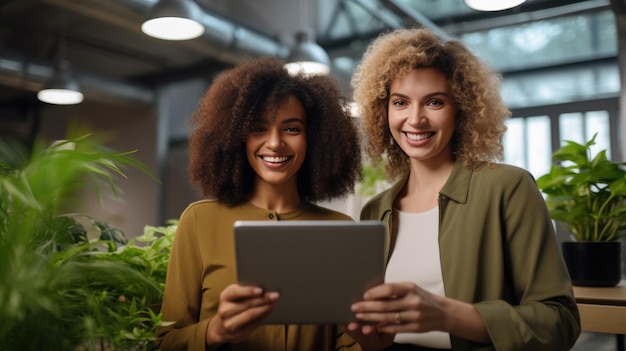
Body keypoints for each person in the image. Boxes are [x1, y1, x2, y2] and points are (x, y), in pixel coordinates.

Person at [345, 28, 581, 351]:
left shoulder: (507, 188)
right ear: (383, 111)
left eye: (434, 102)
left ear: (462, 110)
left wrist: (447, 314)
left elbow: (560, 322)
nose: (415, 119)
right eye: (400, 102)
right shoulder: (375, 210)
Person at [157, 56, 363, 351]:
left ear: (314, 138)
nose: (275, 143)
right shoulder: (199, 221)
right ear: (236, 136)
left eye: (292, 129)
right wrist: (217, 330)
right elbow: (167, 341)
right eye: (258, 129)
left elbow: (348, 342)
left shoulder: (340, 230)